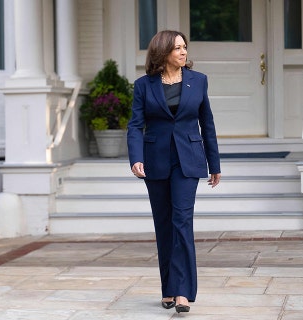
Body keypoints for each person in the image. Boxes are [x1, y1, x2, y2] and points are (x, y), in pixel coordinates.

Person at [127, 30, 221, 314]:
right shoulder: (144, 85)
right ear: (163, 52)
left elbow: (208, 123)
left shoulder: (198, 81)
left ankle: (182, 291)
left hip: (188, 160)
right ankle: (167, 288)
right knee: (164, 224)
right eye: (177, 48)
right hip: (155, 161)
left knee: (181, 221)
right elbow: (135, 125)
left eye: (184, 47)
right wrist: (135, 158)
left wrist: (214, 164)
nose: (183, 52)